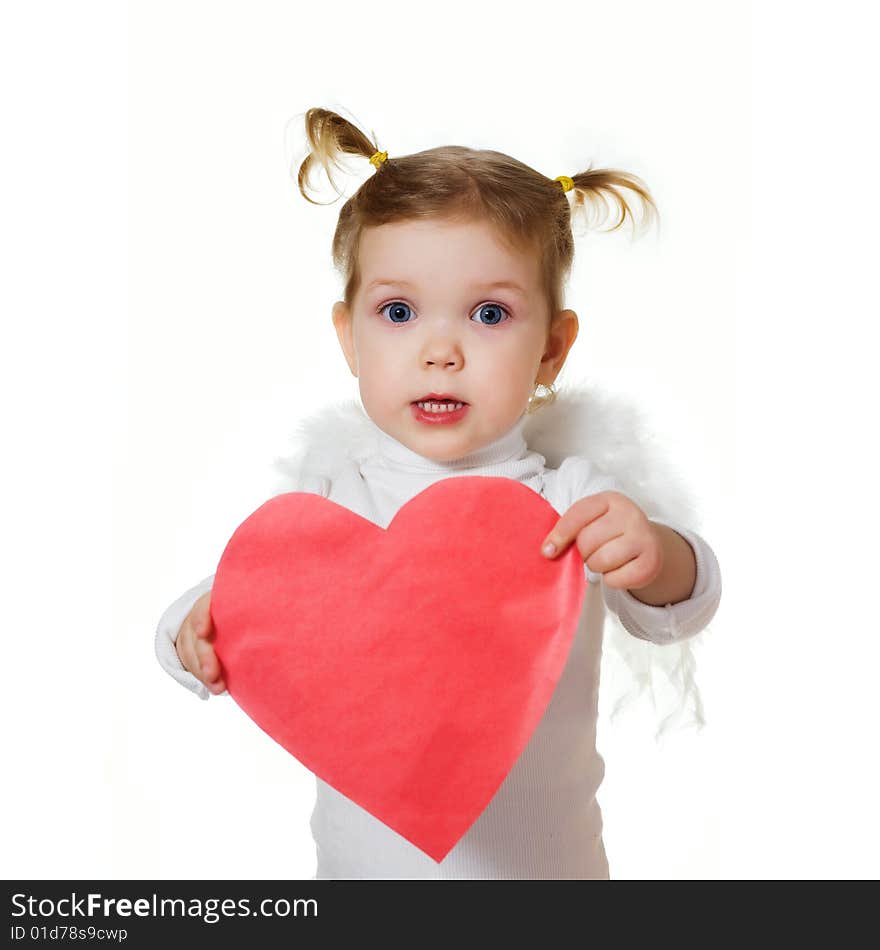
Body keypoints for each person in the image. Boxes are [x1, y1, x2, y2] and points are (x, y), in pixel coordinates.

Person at [155, 106, 722, 879]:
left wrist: (655, 556)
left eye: (490, 314)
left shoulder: (569, 502)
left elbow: (681, 608)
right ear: (349, 337)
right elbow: (240, 599)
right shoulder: (336, 504)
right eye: (398, 312)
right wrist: (198, 628)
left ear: (551, 349)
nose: (440, 351)